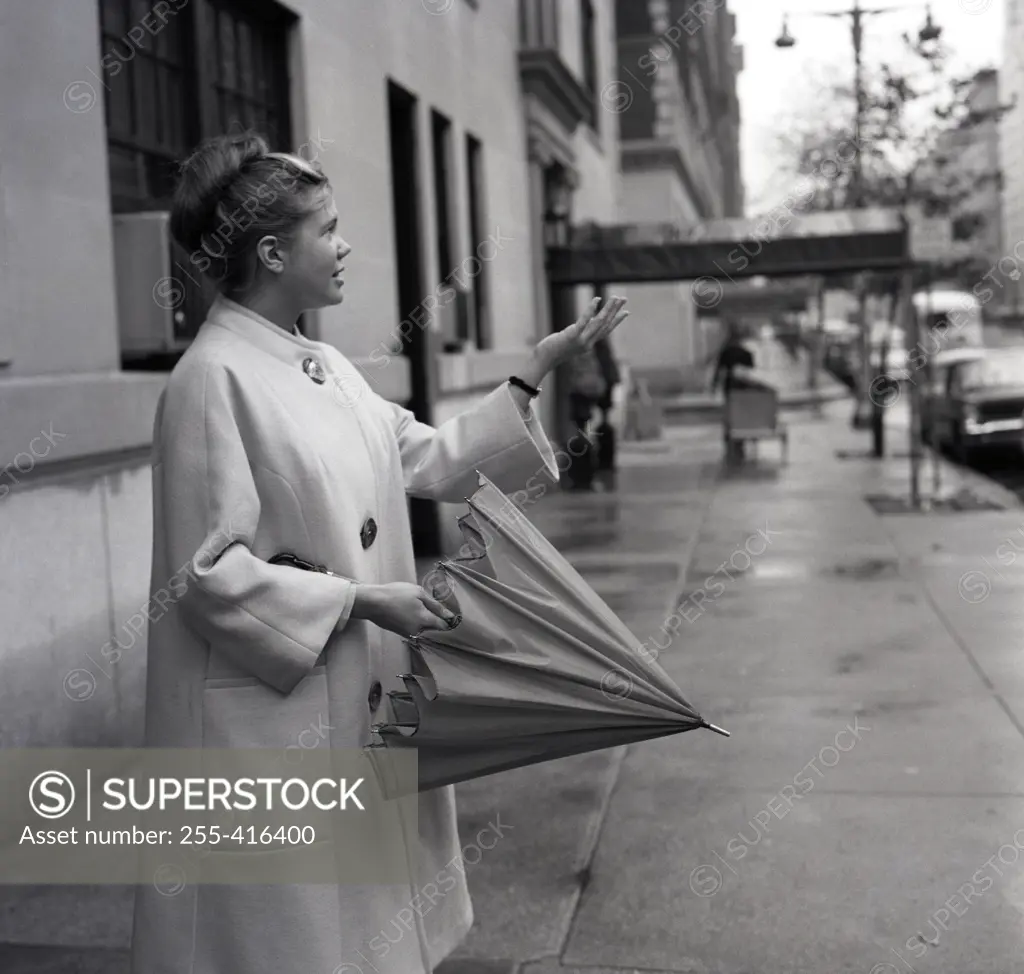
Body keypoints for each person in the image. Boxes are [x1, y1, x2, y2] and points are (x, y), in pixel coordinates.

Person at [129, 131, 630, 974]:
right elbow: (203, 574)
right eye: (327, 228)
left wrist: (534, 373)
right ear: (272, 250)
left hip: (347, 705)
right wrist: (364, 601)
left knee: (360, 936)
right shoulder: (210, 379)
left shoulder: (323, 365)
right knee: (287, 943)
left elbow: (430, 457)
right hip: (273, 725)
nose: (345, 244)